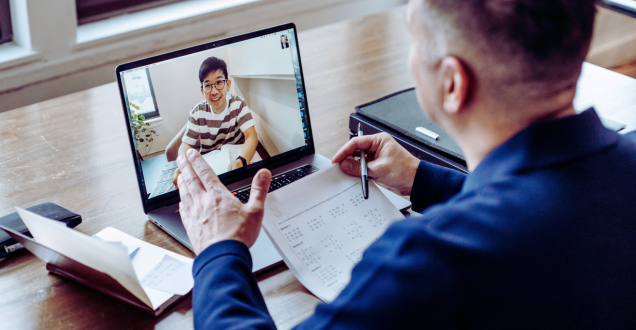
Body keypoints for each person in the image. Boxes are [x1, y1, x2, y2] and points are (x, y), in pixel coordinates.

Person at [176, 0, 636, 328]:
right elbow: (550, 203)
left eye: (414, 39)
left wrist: (219, 251)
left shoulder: (426, 265)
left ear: (452, 83)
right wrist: (423, 179)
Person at [172, 57, 258, 187]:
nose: (214, 91)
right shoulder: (197, 112)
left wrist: (242, 160)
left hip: (237, 164)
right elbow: (185, 146)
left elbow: (251, 136)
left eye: (219, 82)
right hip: (210, 169)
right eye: (207, 85)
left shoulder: (238, 103)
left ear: (228, 85)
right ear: (202, 91)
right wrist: (182, 166)